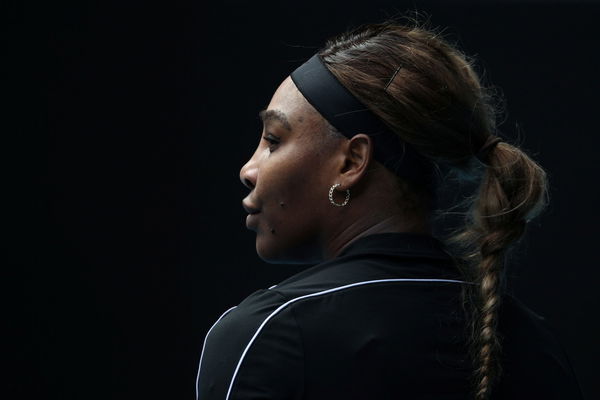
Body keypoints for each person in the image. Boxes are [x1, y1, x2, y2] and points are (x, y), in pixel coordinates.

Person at [195, 20, 584, 400]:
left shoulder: (272, 335)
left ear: (351, 162)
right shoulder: (531, 340)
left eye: (273, 140)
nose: (249, 170)